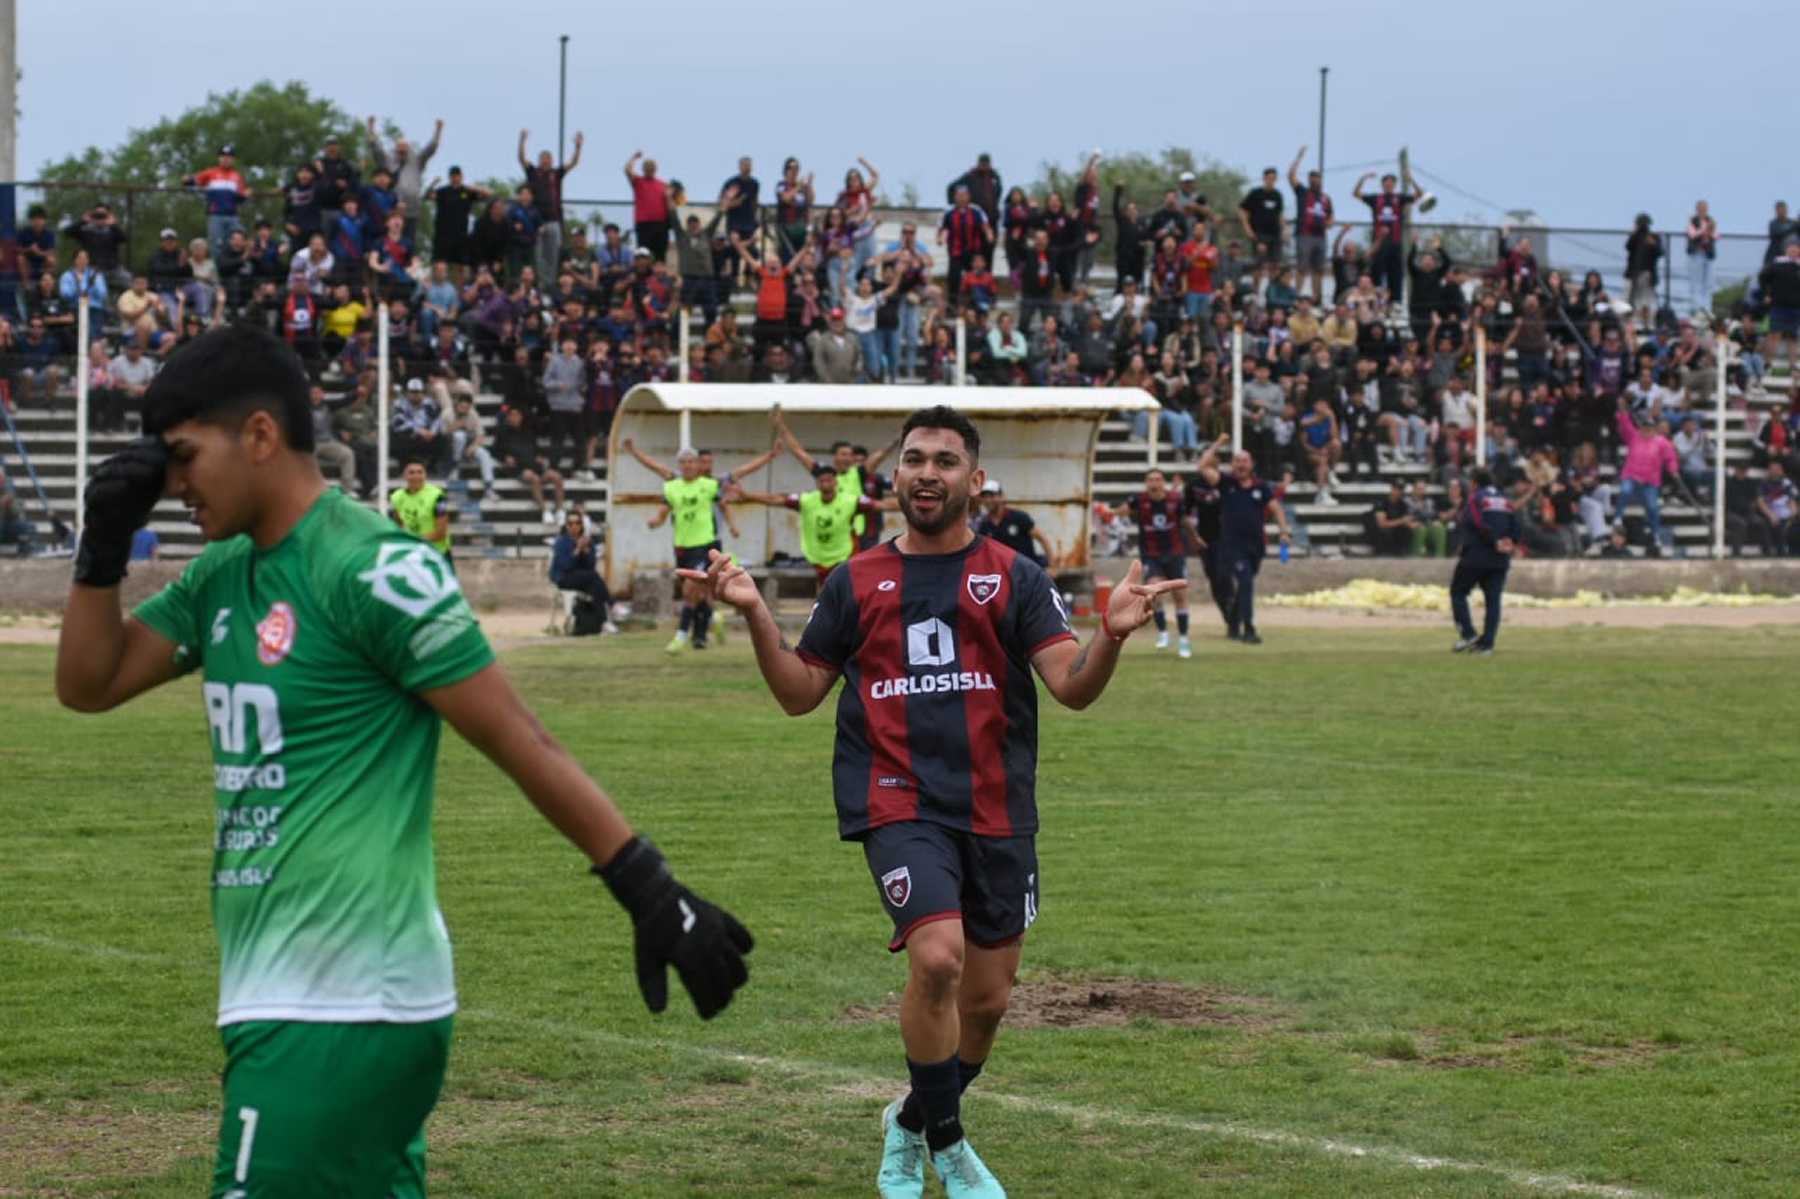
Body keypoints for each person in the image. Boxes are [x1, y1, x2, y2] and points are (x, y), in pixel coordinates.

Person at [53, 325, 751, 1199]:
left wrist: (647, 884)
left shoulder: (374, 567)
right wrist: (101, 551)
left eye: (185, 456)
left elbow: (518, 736)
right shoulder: (223, 575)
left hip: (345, 996)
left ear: (261, 436)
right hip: (285, 993)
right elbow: (90, 682)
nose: (173, 484)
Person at [680, 404, 1182, 1199]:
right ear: (894, 474)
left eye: (946, 461)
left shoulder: (1015, 577)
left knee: (985, 1004)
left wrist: (1112, 636)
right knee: (938, 957)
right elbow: (800, 692)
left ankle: (909, 1118)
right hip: (899, 799)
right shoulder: (857, 579)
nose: (927, 472)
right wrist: (752, 615)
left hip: (998, 807)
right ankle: (946, 1146)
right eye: (915, 458)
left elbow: (1070, 688)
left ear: (974, 481)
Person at [621, 438, 779, 654]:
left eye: (691, 462)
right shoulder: (672, 486)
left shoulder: (710, 485)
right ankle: (709, 625)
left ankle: (681, 636)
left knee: (690, 590)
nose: (688, 465)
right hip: (682, 547)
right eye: (683, 462)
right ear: (680, 465)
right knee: (701, 594)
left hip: (705, 545)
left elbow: (741, 473)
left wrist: (769, 456)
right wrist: (655, 522)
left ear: (699, 465)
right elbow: (663, 505)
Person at [730, 461, 890, 589]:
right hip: (819, 555)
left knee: (848, 588)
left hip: (844, 554)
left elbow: (882, 505)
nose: (825, 483)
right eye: (821, 480)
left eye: (829, 479)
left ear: (835, 482)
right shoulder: (807, 500)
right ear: (817, 483)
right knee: (824, 591)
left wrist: (907, 503)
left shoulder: (850, 501)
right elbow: (776, 499)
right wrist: (747, 495)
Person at [1191, 440, 1291, 644]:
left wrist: (1283, 532)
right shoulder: (1226, 483)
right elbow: (1202, 466)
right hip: (1232, 546)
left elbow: (1276, 508)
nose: (1241, 465)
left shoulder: (1261, 487)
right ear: (1232, 465)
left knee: (1245, 585)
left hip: (1256, 546)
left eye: (1244, 461)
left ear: (1251, 464)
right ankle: (1249, 629)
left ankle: (1234, 623)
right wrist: (1217, 444)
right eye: (1237, 461)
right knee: (1245, 582)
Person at [1109, 469, 1192, 658]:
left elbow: (1185, 521)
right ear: (1146, 483)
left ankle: (1184, 639)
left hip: (1175, 553)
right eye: (1150, 480)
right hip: (1151, 555)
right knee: (1154, 594)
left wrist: (1196, 539)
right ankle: (1163, 632)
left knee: (1180, 596)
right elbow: (1123, 510)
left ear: (1163, 482)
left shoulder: (1175, 500)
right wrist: (1110, 512)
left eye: (1158, 479)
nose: (1154, 483)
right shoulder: (1139, 500)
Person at [1449, 466, 1519, 655]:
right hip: (1500, 559)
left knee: (1458, 592)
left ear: (1474, 483)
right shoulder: (1505, 500)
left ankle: (1468, 634)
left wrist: (1493, 540)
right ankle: (1487, 645)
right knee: (1493, 600)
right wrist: (1510, 542)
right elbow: (1515, 523)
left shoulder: (1475, 499)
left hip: (1476, 556)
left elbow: (1476, 522)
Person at [1615, 397, 1679, 555]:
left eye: (1650, 427)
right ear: (1641, 427)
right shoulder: (1634, 436)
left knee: (1652, 507)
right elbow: (1625, 425)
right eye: (1644, 427)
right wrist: (1623, 412)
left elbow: (1670, 457)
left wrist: (1673, 469)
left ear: (1654, 428)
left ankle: (1655, 533)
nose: (1646, 430)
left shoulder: (1661, 442)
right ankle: (1618, 517)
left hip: (1650, 481)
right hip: (1631, 475)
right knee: (1625, 491)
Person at [519, 129, 583, 284]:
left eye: (548, 158)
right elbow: (522, 159)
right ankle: (540, 285)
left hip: (554, 221)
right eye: (543, 158)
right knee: (539, 257)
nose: (545, 161)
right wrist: (522, 141)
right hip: (537, 223)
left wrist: (578, 147)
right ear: (539, 160)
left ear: (552, 161)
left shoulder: (556, 173)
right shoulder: (533, 172)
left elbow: (573, 163)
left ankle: (550, 286)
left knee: (553, 256)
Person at [549, 510, 620, 632]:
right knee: (593, 578)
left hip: (582, 577)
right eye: (571, 523)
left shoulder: (586, 541)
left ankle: (603, 623)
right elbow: (565, 566)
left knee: (594, 586)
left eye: (577, 523)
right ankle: (612, 605)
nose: (574, 526)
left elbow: (591, 565)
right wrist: (577, 550)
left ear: (581, 525)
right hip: (564, 578)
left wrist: (586, 551)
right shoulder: (561, 542)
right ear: (566, 525)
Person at [494, 404, 566, 523]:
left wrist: (539, 457)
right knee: (534, 478)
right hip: (518, 469)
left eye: (517, 415)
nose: (515, 417)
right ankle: (545, 511)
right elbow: (495, 451)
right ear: (508, 417)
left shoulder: (528, 431)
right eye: (512, 415)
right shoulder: (502, 432)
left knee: (557, 476)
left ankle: (560, 511)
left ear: (521, 417)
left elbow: (536, 449)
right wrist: (505, 458)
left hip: (534, 465)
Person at [973, 481, 1054, 567]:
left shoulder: (1018, 517)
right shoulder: (984, 525)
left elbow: (1042, 538)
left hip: (1027, 570)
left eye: (992, 496)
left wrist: (1053, 566)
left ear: (1001, 496)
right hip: (1004, 572)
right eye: (985, 497)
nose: (988, 500)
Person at [389, 458, 452, 566]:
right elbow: (397, 524)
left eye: (420, 472)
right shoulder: (397, 496)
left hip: (436, 552)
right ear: (405, 476)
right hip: (413, 552)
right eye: (411, 472)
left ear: (425, 475)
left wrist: (414, 540)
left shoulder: (437, 496)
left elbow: (441, 532)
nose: (416, 476)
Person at [1686, 200, 1717, 316]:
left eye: (1705, 208)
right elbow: (1692, 234)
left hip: (1708, 255)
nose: (1703, 210)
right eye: (1701, 208)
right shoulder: (1692, 221)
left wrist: (1710, 229)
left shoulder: (1711, 221)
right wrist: (1704, 229)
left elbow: (1716, 236)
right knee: (1696, 283)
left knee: (1709, 283)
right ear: (1697, 209)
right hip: (1696, 254)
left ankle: (1707, 309)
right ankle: (1697, 309)